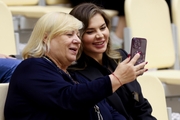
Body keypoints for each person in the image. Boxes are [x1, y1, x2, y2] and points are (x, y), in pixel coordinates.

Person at [4, 12, 147, 120]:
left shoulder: (69, 75)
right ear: (46, 38)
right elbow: (68, 99)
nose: (77, 41)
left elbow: (109, 112)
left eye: (78, 35)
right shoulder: (32, 68)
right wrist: (117, 78)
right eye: (69, 34)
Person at [68, 3, 156, 120]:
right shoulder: (75, 74)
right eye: (90, 32)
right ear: (77, 36)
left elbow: (141, 106)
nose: (100, 35)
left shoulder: (121, 57)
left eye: (103, 28)